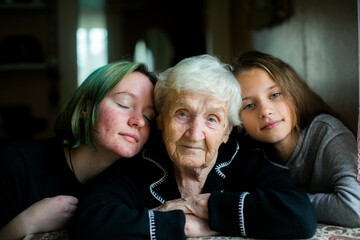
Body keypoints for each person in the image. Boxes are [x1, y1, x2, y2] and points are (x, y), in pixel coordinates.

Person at [71, 54, 316, 240]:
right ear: (161, 120)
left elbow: (299, 216)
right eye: (182, 113)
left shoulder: (244, 159)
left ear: (227, 131)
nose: (195, 133)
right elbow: (90, 221)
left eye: (212, 119)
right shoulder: (141, 161)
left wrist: (202, 207)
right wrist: (184, 226)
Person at [0, 60, 156, 239]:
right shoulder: (15, 163)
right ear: (86, 107)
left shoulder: (145, 184)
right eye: (124, 104)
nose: (140, 121)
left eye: (148, 116)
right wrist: (28, 222)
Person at [231, 50, 360, 227]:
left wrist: (284, 204)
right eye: (249, 105)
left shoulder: (327, 133)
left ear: (293, 92)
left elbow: (355, 209)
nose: (265, 111)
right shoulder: (246, 152)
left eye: (274, 95)